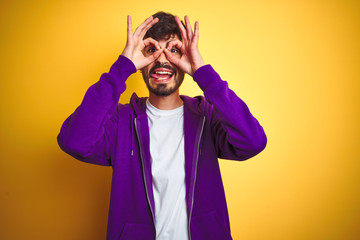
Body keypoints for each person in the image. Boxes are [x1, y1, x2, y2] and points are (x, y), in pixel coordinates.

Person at [57, 11, 267, 240]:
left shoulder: (206, 115)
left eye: (173, 50)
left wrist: (203, 72)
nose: (162, 59)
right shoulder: (121, 121)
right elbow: (74, 141)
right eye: (151, 50)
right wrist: (122, 68)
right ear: (140, 61)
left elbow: (252, 142)